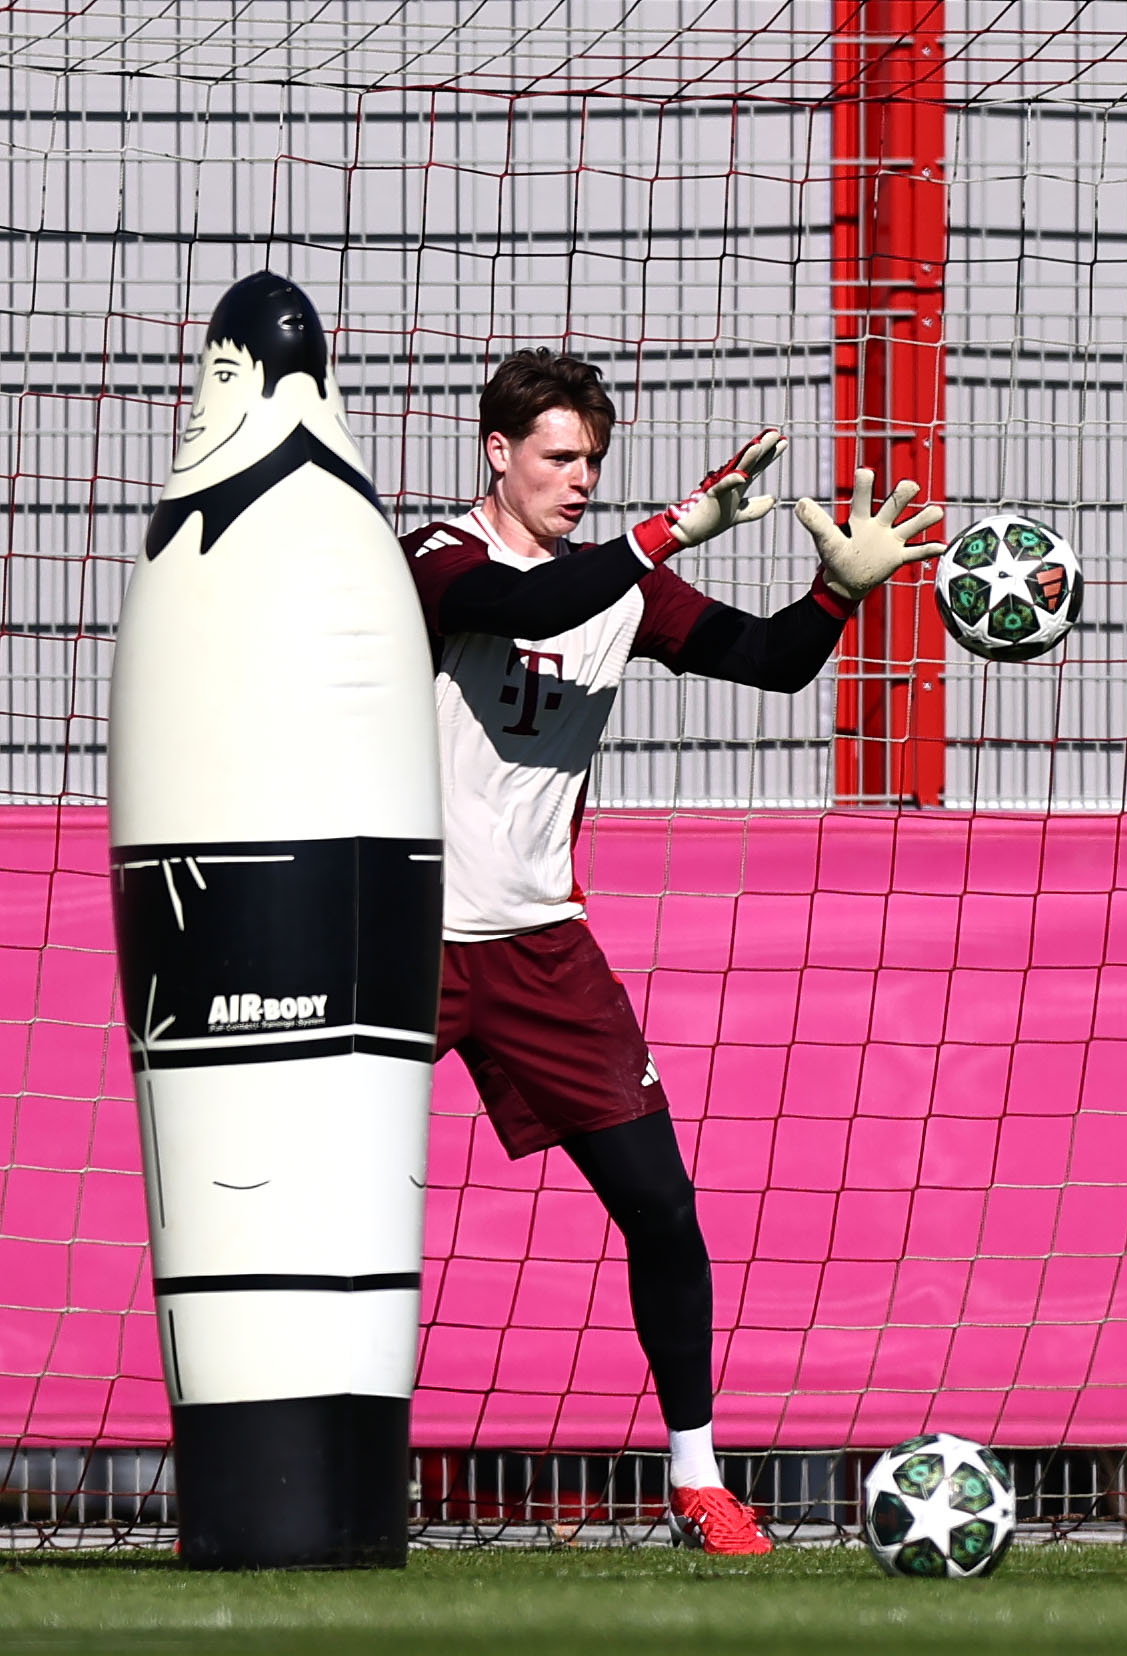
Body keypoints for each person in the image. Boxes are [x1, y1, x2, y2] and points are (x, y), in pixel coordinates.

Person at [402, 350, 944, 1553]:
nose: (579, 478)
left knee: (662, 1209)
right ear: (498, 455)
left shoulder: (621, 587)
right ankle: (257, 1472)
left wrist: (838, 592)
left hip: (545, 949)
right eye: (557, 457)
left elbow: (772, 663)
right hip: (400, 941)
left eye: (593, 459)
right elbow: (530, 606)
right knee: (312, 1199)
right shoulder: (438, 559)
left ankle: (696, 1477)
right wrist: (666, 530)